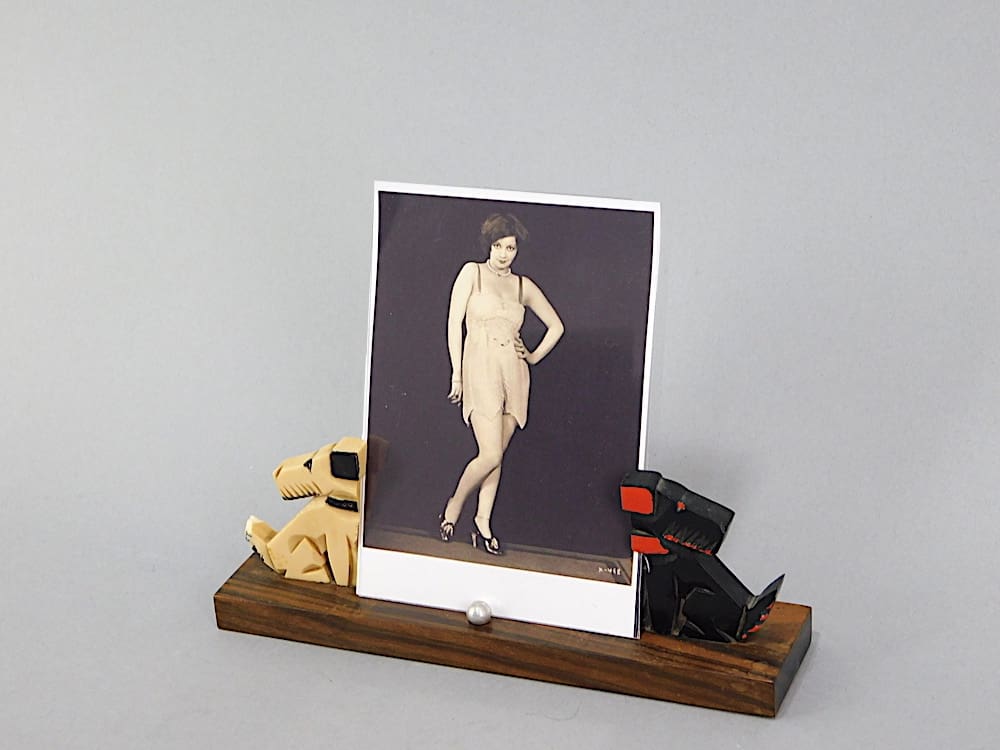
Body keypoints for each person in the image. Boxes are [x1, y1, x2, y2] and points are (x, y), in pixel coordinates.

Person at [440, 213, 564, 555]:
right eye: (498, 246)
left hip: (515, 373)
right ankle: (454, 505)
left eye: (510, 247)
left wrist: (533, 356)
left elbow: (557, 326)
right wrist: (456, 373)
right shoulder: (472, 273)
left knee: (498, 455)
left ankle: (483, 522)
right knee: (490, 452)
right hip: (480, 368)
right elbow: (453, 324)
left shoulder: (523, 286)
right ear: (488, 245)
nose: (504, 254)